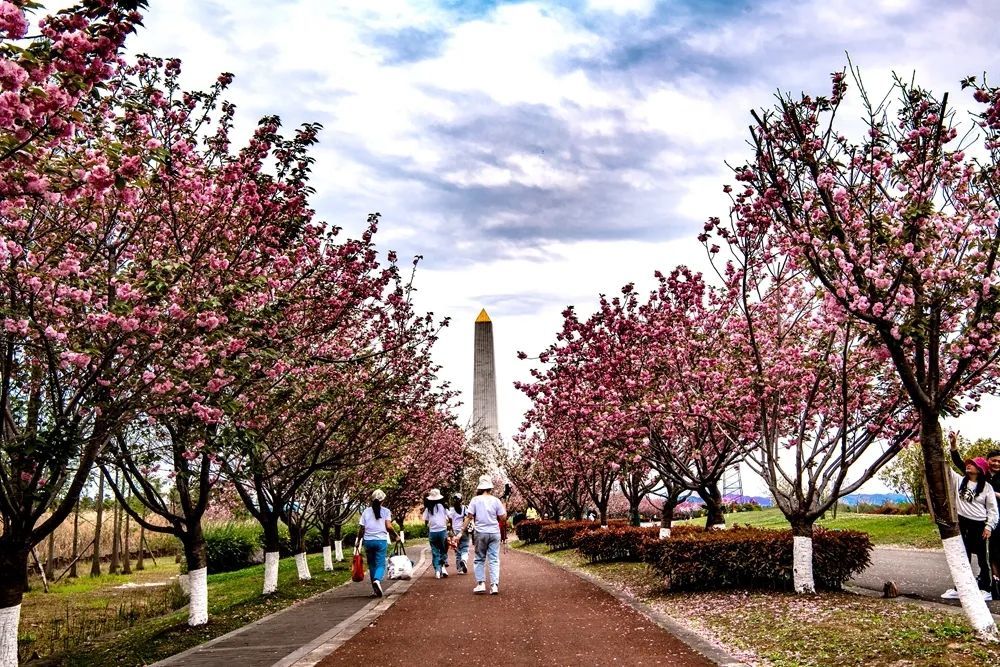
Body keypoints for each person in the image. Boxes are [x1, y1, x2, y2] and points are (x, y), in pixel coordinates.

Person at [948, 433, 999, 594]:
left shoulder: (987, 487)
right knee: (965, 554)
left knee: (987, 556)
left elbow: (992, 509)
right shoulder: (962, 481)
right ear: (988, 462)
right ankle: (964, 585)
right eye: (994, 460)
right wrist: (953, 446)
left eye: (999, 461)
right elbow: (954, 465)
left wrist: (989, 525)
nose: (996, 463)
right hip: (966, 522)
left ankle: (989, 585)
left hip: (984, 522)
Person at [461, 474, 507, 595]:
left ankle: (481, 583)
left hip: (480, 532)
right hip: (494, 532)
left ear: (480, 487)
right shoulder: (496, 501)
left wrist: (461, 532)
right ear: (490, 487)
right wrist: (504, 507)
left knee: (479, 558)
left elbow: (469, 517)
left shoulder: (475, 500)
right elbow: (503, 518)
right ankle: (494, 585)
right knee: (493, 559)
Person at [355, 489, 395, 597]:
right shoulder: (386, 511)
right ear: (383, 500)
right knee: (381, 564)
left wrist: (358, 541)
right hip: (380, 541)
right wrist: (396, 535)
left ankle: (374, 590)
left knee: (372, 565)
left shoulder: (366, 512)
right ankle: (377, 580)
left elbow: (362, 529)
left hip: (368, 541)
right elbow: (388, 526)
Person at [423, 488, 450, 578]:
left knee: (435, 552)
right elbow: (449, 516)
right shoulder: (443, 506)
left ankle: (437, 571)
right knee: (443, 550)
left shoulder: (428, 508)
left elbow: (425, 520)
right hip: (442, 531)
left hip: (433, 532)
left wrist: (427, 527)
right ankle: (443, 567)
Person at [447, 492, 470, 574]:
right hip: (463, 531)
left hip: (455, 532)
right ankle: (464, 559)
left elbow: (449, 520)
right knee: (465, 547)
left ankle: (460, 569)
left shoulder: (451, 510)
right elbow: (469, 517)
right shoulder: (465, 508)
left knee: (457, 551)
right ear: (461, 500)